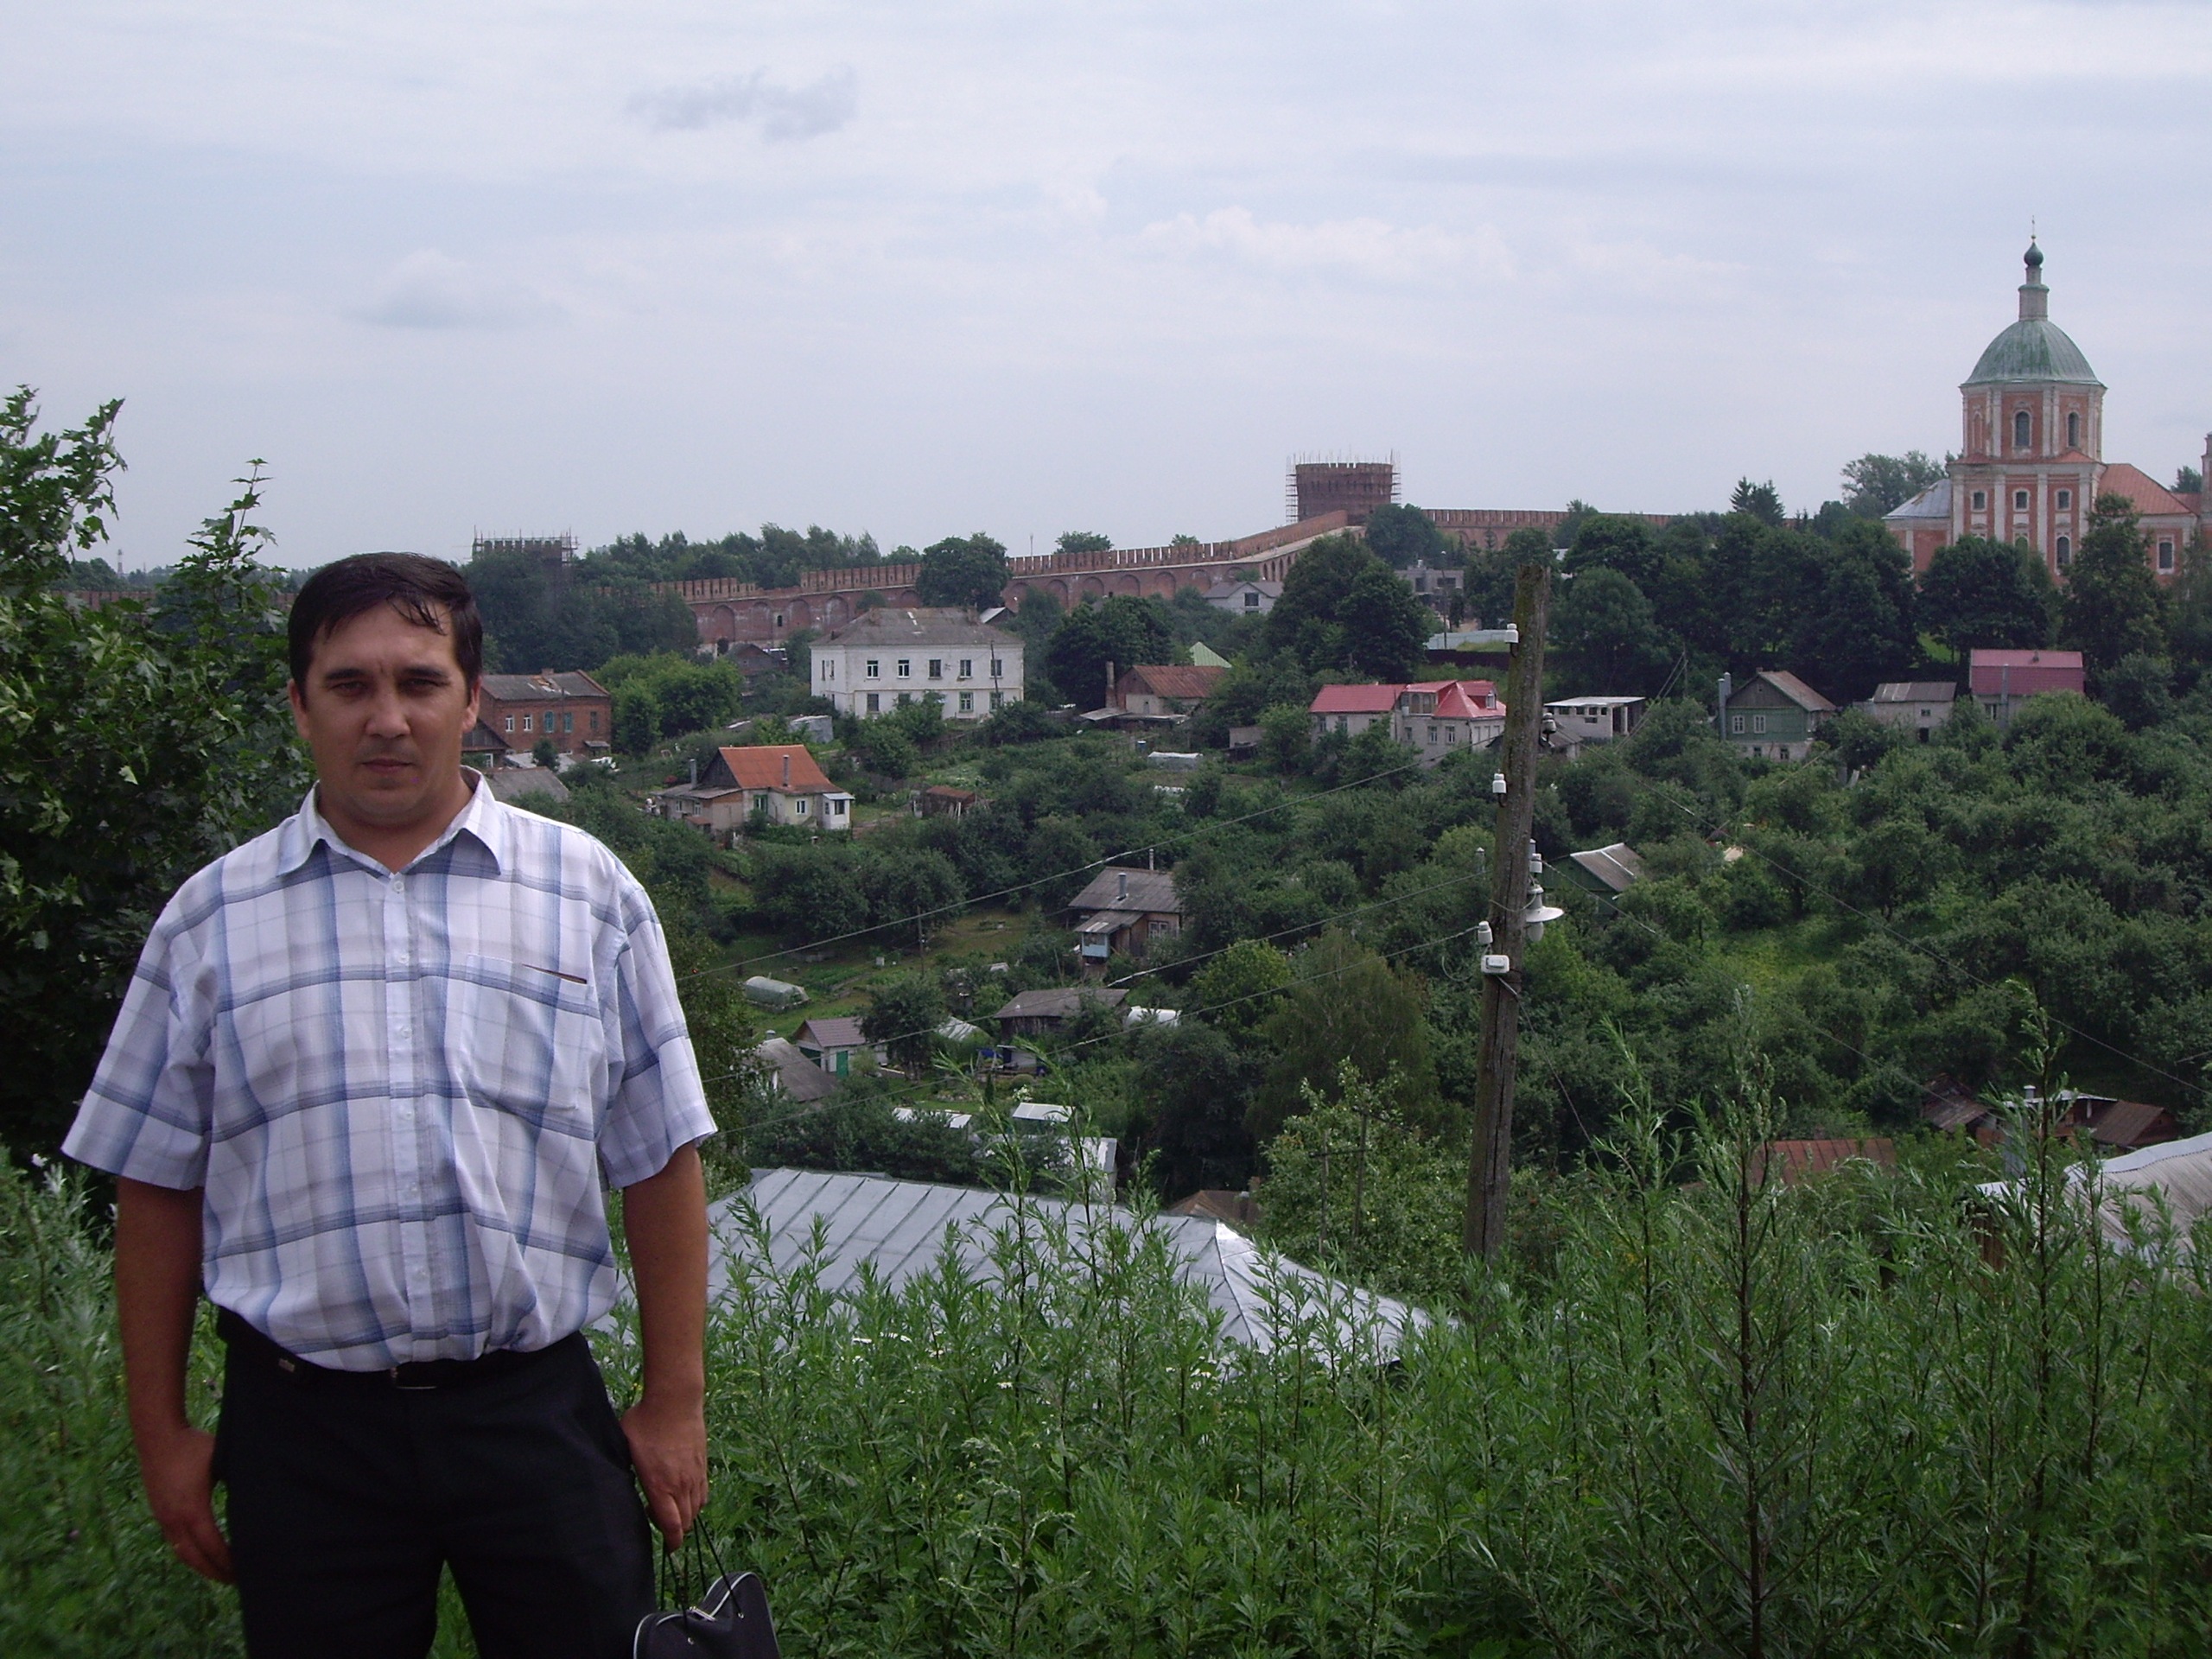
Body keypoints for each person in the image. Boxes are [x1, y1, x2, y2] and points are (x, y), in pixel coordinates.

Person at [63, 554, 715, 1659]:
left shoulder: (589, 894)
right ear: (299, 704)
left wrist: (674, 1402)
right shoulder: (209, 923)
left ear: (471, 699)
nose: (386, 719)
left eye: (418, 682)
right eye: (349, 685)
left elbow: (660, 1157)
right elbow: (155, 1185)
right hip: (305, 1434)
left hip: (534, 1417)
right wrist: (161, 1432)